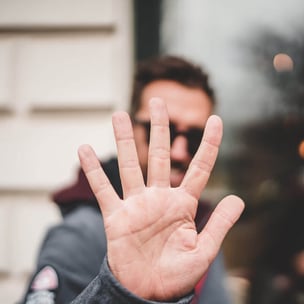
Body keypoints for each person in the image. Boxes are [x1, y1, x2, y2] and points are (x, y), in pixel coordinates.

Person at [20, 56, 243, 304]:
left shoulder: (200, 229)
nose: (179, 152)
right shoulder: (80, 234)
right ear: (132, 126)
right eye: (163, 130)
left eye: (193, 137)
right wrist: (119, 294)